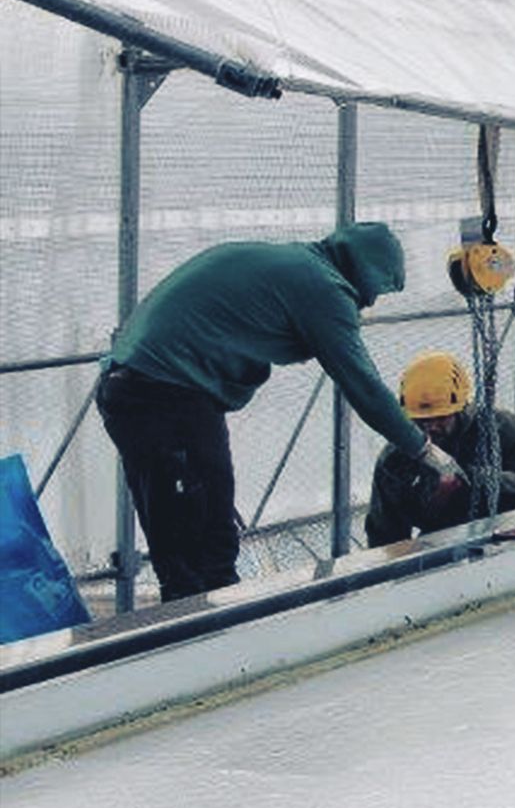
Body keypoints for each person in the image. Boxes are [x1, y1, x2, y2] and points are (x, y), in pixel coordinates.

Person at [97, 222, 461, 602]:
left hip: (137, 388)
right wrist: (426, 451)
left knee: (187, 525)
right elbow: (364, 387)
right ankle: (208, 637)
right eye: (373, 293)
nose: (368, 305)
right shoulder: (324, 288)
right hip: (162, 392)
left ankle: (202, 626)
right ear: (365, 273)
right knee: (200, 544)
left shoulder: (295, 264)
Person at [364, 351, 515, 546]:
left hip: (508, 529)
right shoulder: (396, 458)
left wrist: (479, 480)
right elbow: (384, 534)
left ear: (460, 408)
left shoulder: (497, 426)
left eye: (441, 418)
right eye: (421, 421)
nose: (431, 427)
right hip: (442, 541)